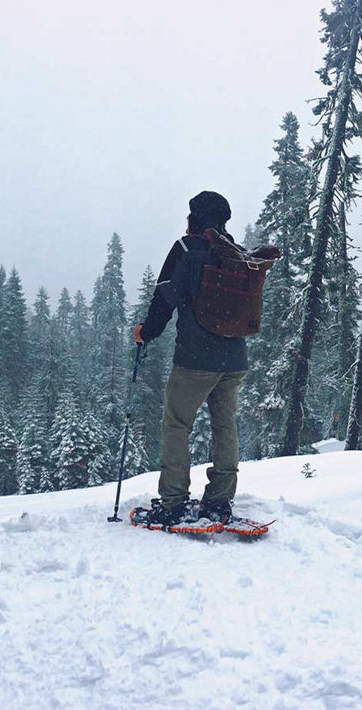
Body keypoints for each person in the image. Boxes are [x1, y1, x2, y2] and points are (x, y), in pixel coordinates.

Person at [133, 190, 248, 530]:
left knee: (177, 425)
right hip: (235, 358)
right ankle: (219, 502)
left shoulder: (186, 249)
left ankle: (174, 503)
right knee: (225, 426)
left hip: (195, 359)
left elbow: (163, 299)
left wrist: (146, 332)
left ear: (193, 218)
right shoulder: (236, 254)